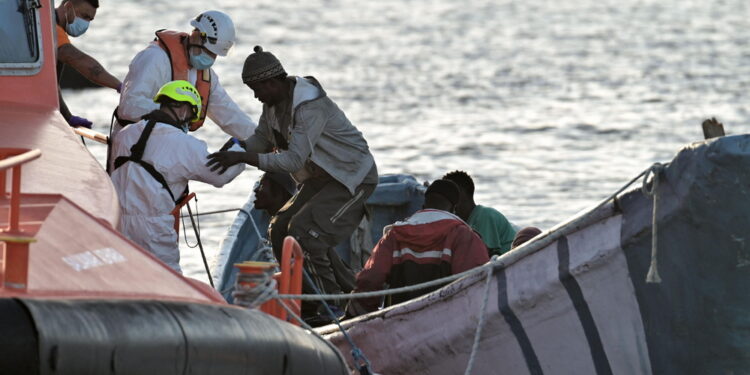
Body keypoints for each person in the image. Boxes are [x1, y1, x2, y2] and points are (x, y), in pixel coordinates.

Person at [206, 46, 378, 313]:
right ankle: (313, 297)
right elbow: (261, 141)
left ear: (272, 82)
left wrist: (242, 159)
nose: (255, 96)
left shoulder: (309, 107)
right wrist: (237, 148)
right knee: (280, 228)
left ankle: (332, 307)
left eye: (257, 89)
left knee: (306, 234)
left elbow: (292, 161)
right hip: (319, 178)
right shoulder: (272, 106)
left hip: (352, 178)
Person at [111, 80, 245, 273]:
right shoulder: (183, 143)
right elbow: (219, 176)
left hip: (116, 222)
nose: (188, 123)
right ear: (183, 110)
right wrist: (240, 150)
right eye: (190, 116)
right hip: (152, 229)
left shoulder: (125, 134)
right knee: (166, 281)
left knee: (123, 276)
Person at [114, 10, 255, 156]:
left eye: (215, 54)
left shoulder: (206, 75)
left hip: (168, 151)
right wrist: (175, 111)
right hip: (132, 150)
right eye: (209, 51)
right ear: (197, 36)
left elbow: (229, 114)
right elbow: (129, 107)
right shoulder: (154, 58)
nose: (211, 58)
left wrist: (265, 140)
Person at [346, 179, 489, 316]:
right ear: (454, 209)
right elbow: (476, 285)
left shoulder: (394, 235)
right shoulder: (464, 235)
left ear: (423, 206)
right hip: (449, 320)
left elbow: (371, 279)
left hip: (399, 320)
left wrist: (360, 313)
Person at [54, 0, 121, 128]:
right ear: (68, 7)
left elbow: (51, 85)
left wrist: (68, 117)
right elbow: (76, 58)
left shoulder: (54, 29)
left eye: (90, 19)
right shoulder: (50, 29)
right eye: (84, 16)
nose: (85, 23)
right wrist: (119, 86)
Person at [443, 170, 516, 256]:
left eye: (448, 194)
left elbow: (483, 256)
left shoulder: (485, 216)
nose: (445, 199)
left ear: (460, 193)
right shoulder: (466, 223)